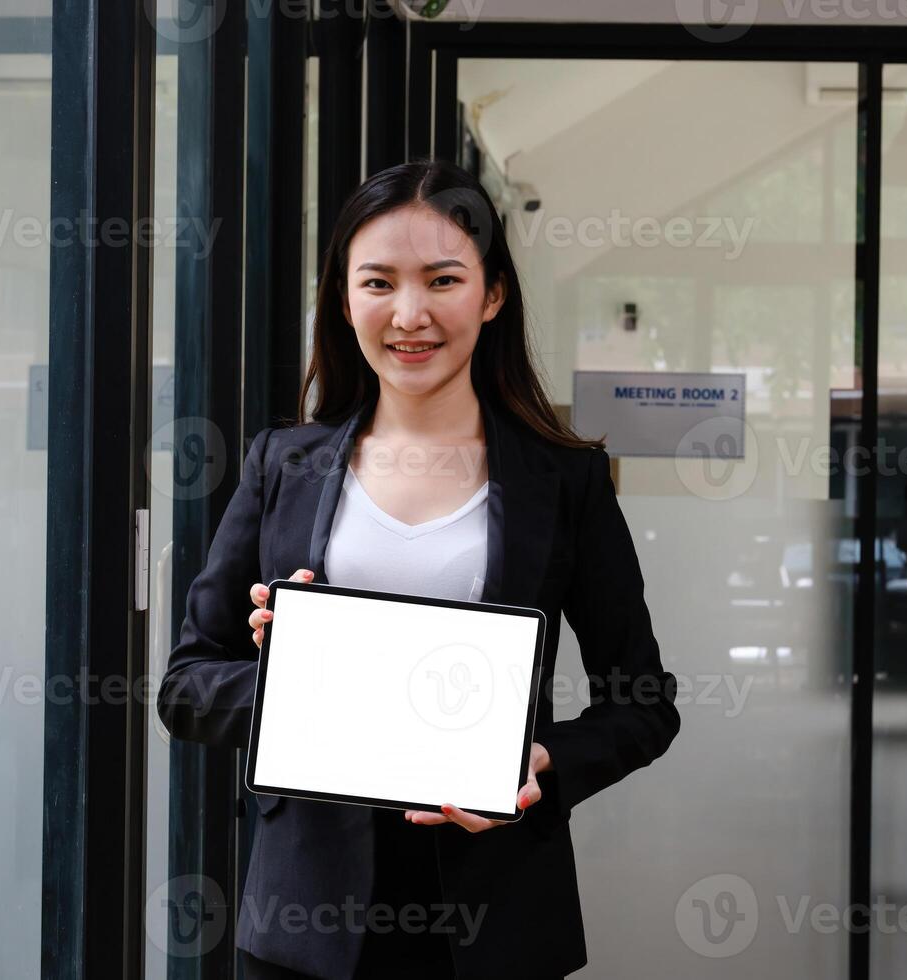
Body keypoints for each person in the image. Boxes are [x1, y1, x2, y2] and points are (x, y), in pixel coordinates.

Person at [156, 159, 681, 980]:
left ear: (493, 294)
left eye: (443, 280)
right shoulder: (281, 466)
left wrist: (539, 764)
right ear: (342, 297)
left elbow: (645, 702)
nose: (410, 314)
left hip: (497, 920)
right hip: (307, 928)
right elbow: (186, 686)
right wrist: (296, 677)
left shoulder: (565, 481)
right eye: (378, 283)